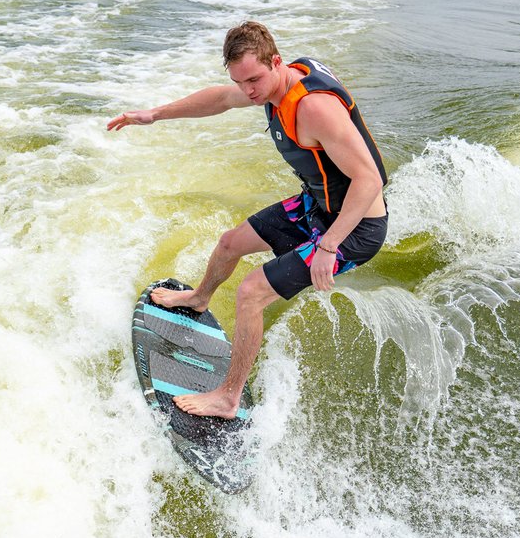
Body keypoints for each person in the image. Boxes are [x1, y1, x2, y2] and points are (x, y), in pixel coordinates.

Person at [108, 21, 388, 419]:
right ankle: (199, 298)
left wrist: (329, 246)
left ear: (276, 62)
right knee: (230, 243)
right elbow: (221, 99)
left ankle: (228, 397)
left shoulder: (314, 108)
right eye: (241, 82)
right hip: (318, 205)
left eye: (254, 80)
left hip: (354, 228)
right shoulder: (273, 83)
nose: (249, 91)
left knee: (251, 292)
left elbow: (370, 179)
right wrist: (155, 114)